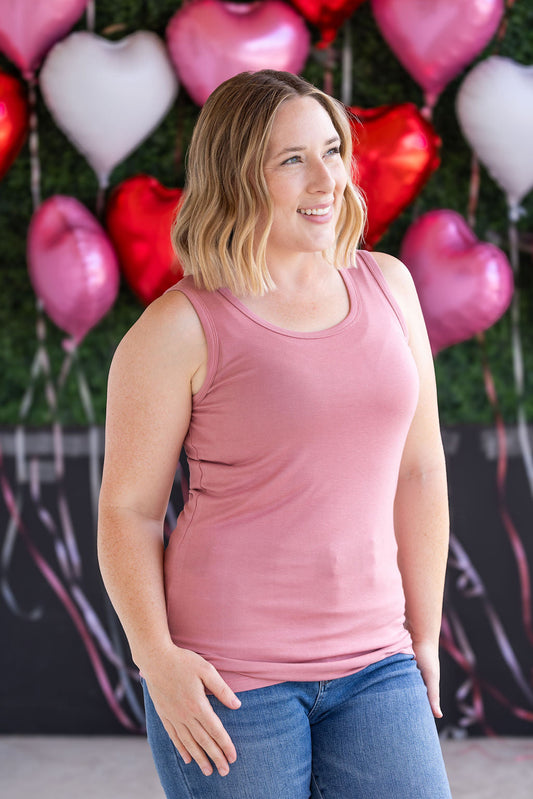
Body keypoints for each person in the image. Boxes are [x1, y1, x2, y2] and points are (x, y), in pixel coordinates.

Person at [97, 69, 452, 799]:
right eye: (292, 159)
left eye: (331, 150)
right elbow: (127, 511)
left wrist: (423, 633)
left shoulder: (390, 287)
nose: (326, 179)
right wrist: (156, 658)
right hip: (228, 676)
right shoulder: (175, 329)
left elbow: (419, 471)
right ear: (235, 176)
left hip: (376, 662)